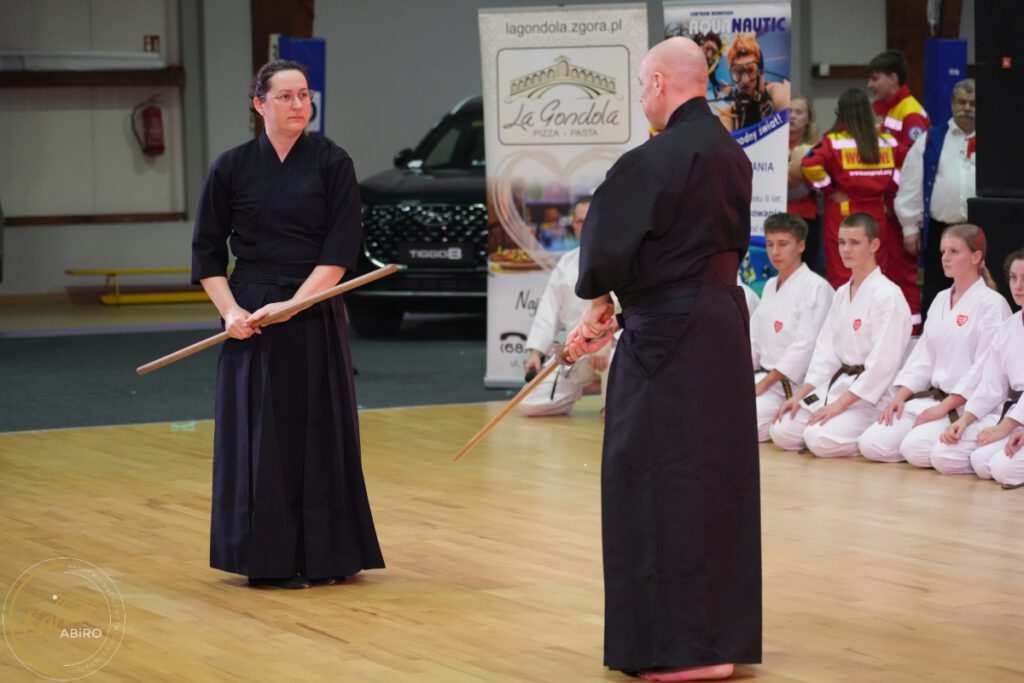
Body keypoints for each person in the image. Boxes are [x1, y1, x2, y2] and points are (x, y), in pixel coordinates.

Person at [565, 36, 761, 682]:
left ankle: (681, 649)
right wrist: (614, 303)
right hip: (720, 326)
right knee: (718, 475)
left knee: (655, 475)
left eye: (641, 86)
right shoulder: (732, 154)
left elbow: (604, 251)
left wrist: (602, 300)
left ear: (656, 83)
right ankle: (717, 641)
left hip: (667, 337)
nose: (641, 98)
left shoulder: (654, 159)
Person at [191, 60, 384, 589]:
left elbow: (340, 249)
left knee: (318, 429)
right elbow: (206, 251)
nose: (299, 105)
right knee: (261, 436)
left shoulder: (332, 162)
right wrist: (231, 312)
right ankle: (266, 559)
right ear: (259, 104)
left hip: (313, 305)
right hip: (250, 311)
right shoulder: (231, 167)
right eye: (285, 96)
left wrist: (294, 306)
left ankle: (327, 555)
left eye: (304, 95)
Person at [857, 224, 1011, 465]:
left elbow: (985, 368)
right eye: (942, 252)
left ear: (976, 257)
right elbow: (923, 357)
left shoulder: (992, 305)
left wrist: (946, 406)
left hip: (967, 406)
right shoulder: (940, 299)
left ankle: (953, 449)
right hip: (931, 399)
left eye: (954, 251)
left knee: (914, 449)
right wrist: (900, 396)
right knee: (871, 443)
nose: (945, 258)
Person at [769, 213, 912, 457]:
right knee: (782, 429)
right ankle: (839, 427)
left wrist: (839, 406)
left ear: (874, 245)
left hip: (870, 397)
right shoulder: (842, 293)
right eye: (842, 242)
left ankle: (869, 433)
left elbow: (882, 365)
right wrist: (801, 395)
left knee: (817, 438)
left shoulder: (888, 295)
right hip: (838, 385)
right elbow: (825, 353)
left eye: (854, 243)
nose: (846, 249)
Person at [801, 88, 914, 331]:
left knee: (843, 275)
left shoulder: (834, 141)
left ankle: (844, 330)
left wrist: (829, 188)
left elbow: (809, 164)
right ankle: (872, 328)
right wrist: (890, 187)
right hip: (877, 213)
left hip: (844, 214)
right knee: (875, 273)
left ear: (841, 112)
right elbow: (909, 161)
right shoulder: (887, 141)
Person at [930, 250, 1024, 479]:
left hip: (1017, 418)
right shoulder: (1008, 328)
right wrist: (965, 420)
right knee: (946, 456)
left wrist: (1005, 427)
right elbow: (992, 385)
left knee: (1001, 468)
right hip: (1015, 414)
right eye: (1013, 278)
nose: (1018, 286)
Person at [520, 197, 611, 416]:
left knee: (616, 414)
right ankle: (576, 391)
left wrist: (607, 342)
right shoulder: (566, 263)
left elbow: (629, 312)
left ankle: (614, 401)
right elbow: (548, 310)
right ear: (573, 225)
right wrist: (535, 353)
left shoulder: (621, 259)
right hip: (577, 349)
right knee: (529, 404)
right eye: (580, 222)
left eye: (590, 220)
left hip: (613, 349)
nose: (585, 227)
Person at [895, 79, 977, 318]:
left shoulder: (994, 140)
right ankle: (932, 337)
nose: (967, 108)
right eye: (961, 102)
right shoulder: (930, 139)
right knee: (936, 294)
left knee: (978, 292)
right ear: (952, 104)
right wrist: (910, 228)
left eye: (973, 103)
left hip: (980, 231)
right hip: (941, 233)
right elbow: (910, 185)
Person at [750, 213, 833, 442]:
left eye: (783, 244)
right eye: (770, 244)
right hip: (766, 378)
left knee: (747, 420)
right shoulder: (769, 286)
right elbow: (755, 338)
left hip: (796, 384)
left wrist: (764, 384)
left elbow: (805, 347)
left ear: (801, 245)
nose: (775, 252)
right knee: (722, 405)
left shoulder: (816, 288)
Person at [717, 33, 790, 131]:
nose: (745, 79)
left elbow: (785, 102)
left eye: (750, 70)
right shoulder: (728, 114)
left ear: (760, 73)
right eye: (738, 72)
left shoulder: (775, 92)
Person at [868, 49, 930, 151]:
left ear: (892, 79)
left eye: (875, 79)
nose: (869, 84)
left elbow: (914, 156)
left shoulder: (911, 114)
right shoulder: (893, 109)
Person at [787, 95, 823, 272]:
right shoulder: (770, 143)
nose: (792, 116)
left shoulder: (818, 146)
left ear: (808, 119)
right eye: (789, 111)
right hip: (775, 214)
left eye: (799, 112)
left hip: (806, 215)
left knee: (805, 269)